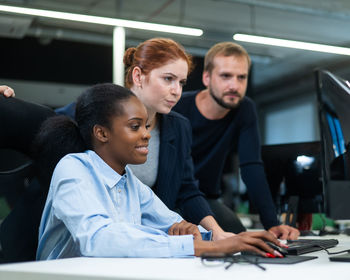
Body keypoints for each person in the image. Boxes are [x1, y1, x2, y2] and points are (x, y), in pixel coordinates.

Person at [36, 83, 283, 259]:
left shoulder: (129, 181)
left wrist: (195, 232)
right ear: (102, 133)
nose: (146, 134)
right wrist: (211, 248)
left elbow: (172, 223)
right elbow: (99, 239)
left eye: (146, 126)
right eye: (135, 126)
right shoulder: (73, 168)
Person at [173, 42, 299, 239]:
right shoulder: (178, 108)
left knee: (241, 238)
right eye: (225, 76)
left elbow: (251, 167)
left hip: (209, 199)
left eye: (242, 77)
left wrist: (272, 224)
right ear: (207, 78)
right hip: (173, 198)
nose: (234, 85)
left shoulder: (245, 109)